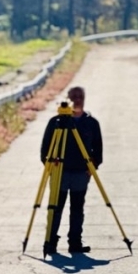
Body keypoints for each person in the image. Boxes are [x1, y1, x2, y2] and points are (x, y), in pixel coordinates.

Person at [40, 86, 102, 255]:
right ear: (67, 98)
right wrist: (50, 168)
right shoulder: (56, 122)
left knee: (77, 209)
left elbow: (98, 149)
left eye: (80, 96)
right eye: (73, 96)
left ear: (85, 98)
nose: (77, 99)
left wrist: (92, 167)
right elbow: (45, 148)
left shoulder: (91, 123)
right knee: (55, 208)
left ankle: (75, 243)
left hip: (80, 174)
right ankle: (50, 242)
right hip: (60, 172)